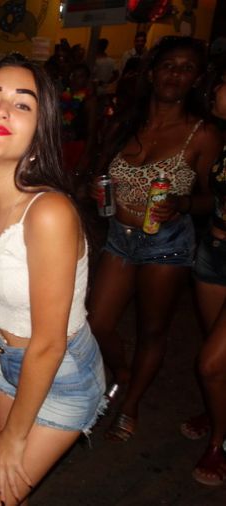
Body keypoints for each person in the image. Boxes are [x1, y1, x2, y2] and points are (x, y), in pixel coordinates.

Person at [0, 53, 106, 506]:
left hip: (58, 372)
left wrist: (15, 435)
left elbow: (49, 341)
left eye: (22, 104)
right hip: (3, 359)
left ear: (40, 132)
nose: (2, 110)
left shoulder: (48, 212)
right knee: (9, 496)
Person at [88, 36, 223, 442]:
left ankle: (131, 404)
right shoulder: (126, 121)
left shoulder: (203, 134)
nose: (175, 74)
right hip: (120, 237)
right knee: (97, 322)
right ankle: (125, 373)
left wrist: (183, 203)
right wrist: (97, 188)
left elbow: (215, 198)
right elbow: (101, 171)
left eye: (186, 68)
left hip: (167, 244)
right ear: (151, 72)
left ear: (197, 78)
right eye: (168, 65)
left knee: (152, 330)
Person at [180, 61, 226, 486]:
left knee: (210, 364)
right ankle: (219, 410)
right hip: (213, 251)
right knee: (219, 355)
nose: (218, 90)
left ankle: (219, 440)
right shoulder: (221, 138)